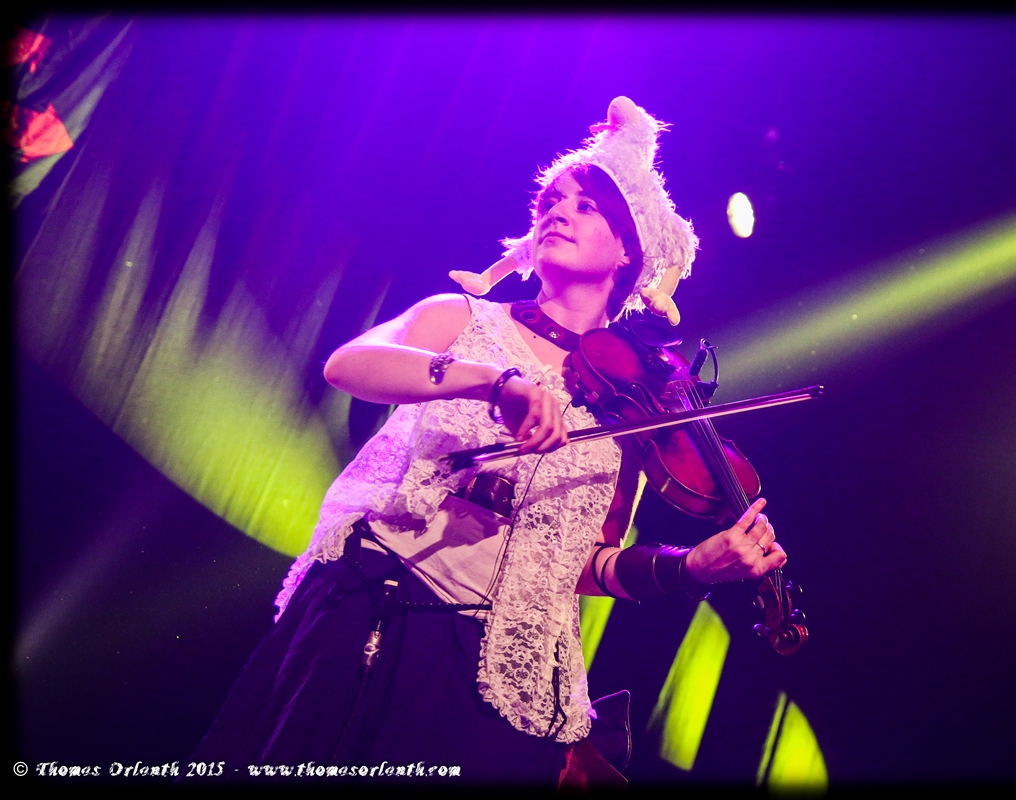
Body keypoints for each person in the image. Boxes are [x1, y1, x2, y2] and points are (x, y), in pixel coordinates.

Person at [186, 97, 786, 786]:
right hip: (375, 608)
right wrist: (492, 382)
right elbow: (349, 365)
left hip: (493, 671)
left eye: (586, 206)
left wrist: (690, 567)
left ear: (628, 249)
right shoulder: (462, 319)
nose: (557, 212)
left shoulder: (629, 403)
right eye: (550, 202)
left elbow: (583, 564)